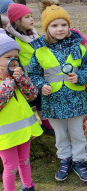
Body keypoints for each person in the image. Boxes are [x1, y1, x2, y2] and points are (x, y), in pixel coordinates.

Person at [28, 0, 87, 182]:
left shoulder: (78, 48)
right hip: (53, 102)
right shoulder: (39, 51)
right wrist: (42, 86)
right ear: (47, 28)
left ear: (69, 26)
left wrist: (80, 78)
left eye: (64, 24)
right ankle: (65, 160)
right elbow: (33, 74)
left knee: (78, 134)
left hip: (76, 101)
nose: (60, 29)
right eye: (54, 25)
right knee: (60, 135)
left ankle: (80, 161)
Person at [0, 28, 43, 191]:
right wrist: (8, 84)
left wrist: (23, 80)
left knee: (24, 161)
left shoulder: (17, 77)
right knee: (10, 167)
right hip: (5, 135)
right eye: (8, 57)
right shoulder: (7, 81)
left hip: (24, 129)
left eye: (15, 58)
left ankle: (28, 186)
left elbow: (32, 95)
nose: (13, 61)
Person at [6, 3, 55, 136]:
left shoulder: (34, 35)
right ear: (17, 20)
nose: (32, 19)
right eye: (27, 17)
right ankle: (29, 127)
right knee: (27, 104)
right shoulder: (11, 38)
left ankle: (47, 124)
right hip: (22, 79)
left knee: (42, 100)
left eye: (32, 16)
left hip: (39, 76)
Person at [70, 28, 87, 162]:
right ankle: (78, 149)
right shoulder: (71, 61)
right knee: (76, 127)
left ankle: (84, 144)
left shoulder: (82, 57)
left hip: (82, 101)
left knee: (83, 124)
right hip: (73, 99)